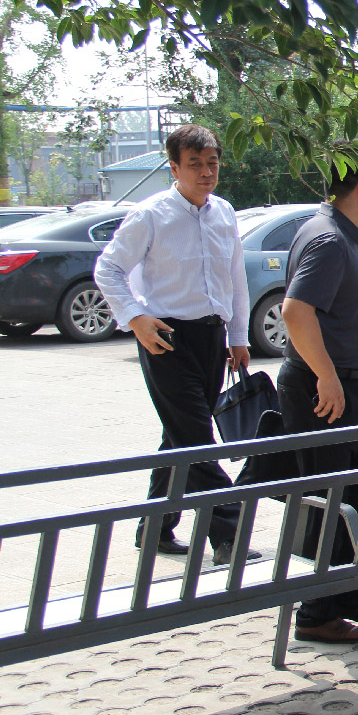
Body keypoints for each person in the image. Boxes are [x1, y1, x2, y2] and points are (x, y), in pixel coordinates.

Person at [94, 122, 257, 563]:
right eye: (194, 164)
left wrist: (238, 336)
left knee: (179, 436)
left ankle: (155, 528)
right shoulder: (151, 214)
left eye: (212, 163)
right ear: (174, 168)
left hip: (211, 337)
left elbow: (235, 278)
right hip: (164, 338)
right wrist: (136, 319)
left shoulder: (224, 212)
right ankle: (228, 533)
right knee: (197, 438)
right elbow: (108, 269)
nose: (205, 172)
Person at [277, 148, 358, 646]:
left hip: (346, 384)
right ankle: (315, 612)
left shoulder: (336, 230)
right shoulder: (328, 238)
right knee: (330, 499)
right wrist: (326, 376)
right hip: (323, 388)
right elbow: (295, 311)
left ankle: (348, 591)